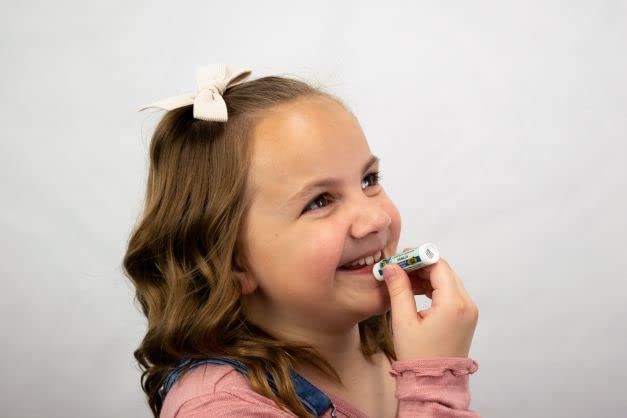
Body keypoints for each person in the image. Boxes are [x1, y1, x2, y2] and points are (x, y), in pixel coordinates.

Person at [123, 64, 480, 418]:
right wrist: (433, 382)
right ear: (232, 261)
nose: (376, 219)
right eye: (320, 201)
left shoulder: (398, 346)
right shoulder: (217, 408)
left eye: (369, 180)